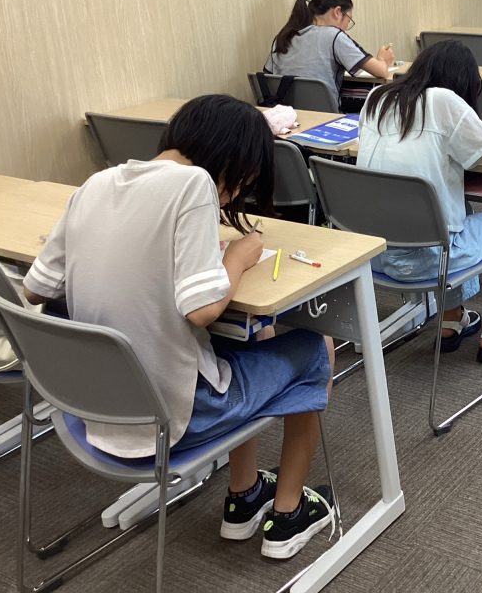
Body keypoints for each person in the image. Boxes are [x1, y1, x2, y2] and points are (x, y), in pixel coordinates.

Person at [22, 95, 336, 561]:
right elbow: (203, 311)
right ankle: (288, 513)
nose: (234, 196)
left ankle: (246, 493)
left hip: (94, 409)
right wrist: (237, 257)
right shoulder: (195, 183)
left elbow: (35, 289)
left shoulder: (95, 184)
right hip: (172, 416)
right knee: (317, 346)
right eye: (243, 182)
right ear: (233, 161)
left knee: (254, 336)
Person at [358, 40, 482, 362]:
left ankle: (451, 318)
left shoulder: (378, 97)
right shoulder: (445, 100)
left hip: (374, 255)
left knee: (458, 209)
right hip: (428, 259)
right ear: (461, 83)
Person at [264, 0, 395, 112]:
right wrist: (383, 59)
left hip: (286, 117)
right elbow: (381, 72)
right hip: (326, 118)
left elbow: (268, 78)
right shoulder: (334, 36)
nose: (346, 26)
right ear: (337, 12)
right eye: (348, 20)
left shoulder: (283, 37)